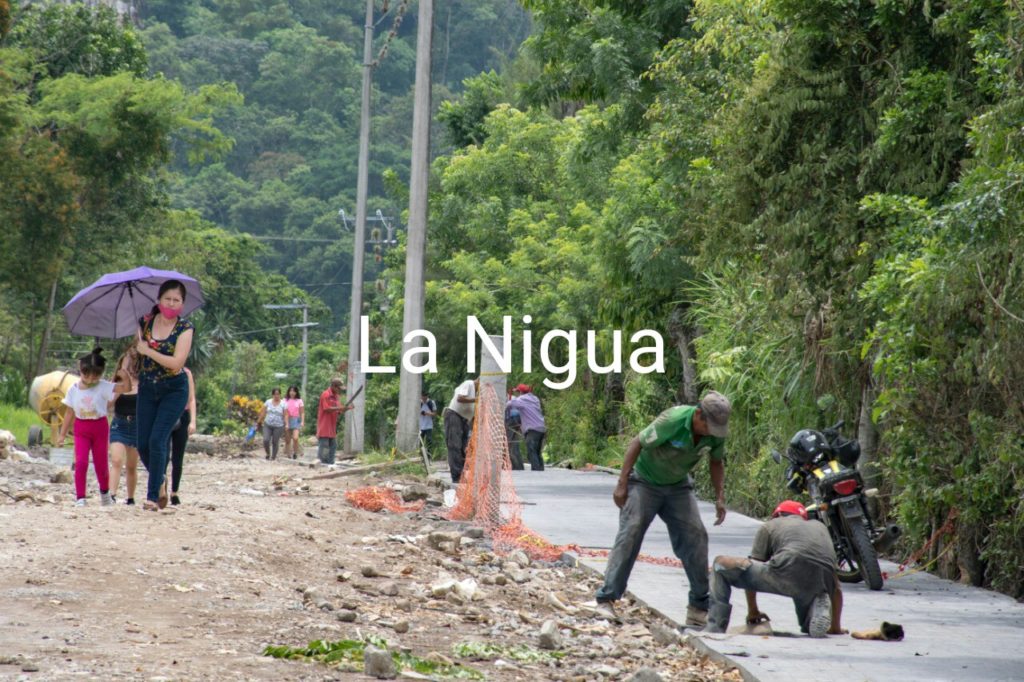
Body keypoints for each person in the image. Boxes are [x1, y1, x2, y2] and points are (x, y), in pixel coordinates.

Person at [594, 391, 732, 628]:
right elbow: (637, 443)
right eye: (708, 427)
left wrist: (720, 497)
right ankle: (607, 598)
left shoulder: (714, 434)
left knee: (696, 536)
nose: (711, 432)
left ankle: (698, 607)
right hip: (644, 482)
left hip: (678, 486)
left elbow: (716, 462)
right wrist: (622, 483)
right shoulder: (672, 420)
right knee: (631, 531)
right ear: (698, 414)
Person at [705, 500, 845, 638]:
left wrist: (753, 610)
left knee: (719, 565)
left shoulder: (771, 525)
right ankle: (817, 604)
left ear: (778, 515)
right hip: (821, 582)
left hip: (787, 569)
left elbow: (751, 564)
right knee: (808, 625)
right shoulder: (820, 527)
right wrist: (836, 627)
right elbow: (837, 587)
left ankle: (715, 628)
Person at [135, 279, 194, 512]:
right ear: (159, 299)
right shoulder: (145, 322)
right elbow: (138, 351)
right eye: (167, 298)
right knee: (142, 443)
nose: (171, 303)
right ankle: (159, 478)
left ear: (182, 304)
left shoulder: (185, 328)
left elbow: (176, 363)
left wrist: (148, 351)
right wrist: (139, 347)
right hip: (148, 387)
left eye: (176, 300)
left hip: (174, 389)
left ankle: (152, 497)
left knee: (157, 440)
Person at [57, 348, 129, 507]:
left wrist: (125, 377)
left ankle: (105, 493)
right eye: (86, 375)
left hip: (99, 427)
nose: (90, 380)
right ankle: (80, 497)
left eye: (95, 376)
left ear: (101, 373)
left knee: (101, 463)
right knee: (81, 462)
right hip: (81, 428)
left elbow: (126, 388)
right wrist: (62, 434)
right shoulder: (73, 389)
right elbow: (69, 412)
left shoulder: (103, 386)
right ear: (80, 369)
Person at [108, 346, 140, 505]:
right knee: (116, 460)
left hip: (136, 425)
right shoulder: (114, 384)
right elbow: (107, 405)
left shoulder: (143, 384)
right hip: (119, 423)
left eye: (130, 364)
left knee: (132, 465)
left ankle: (130, 497)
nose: (127, 368)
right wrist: (119, 389)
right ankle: (111, 495)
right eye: (125, 365)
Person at [165, 367, 196, 505]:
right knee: (163, 454)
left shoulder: (187, 373)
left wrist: (193, 421)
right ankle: (161, 487)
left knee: (178, 456)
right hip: (166, 413)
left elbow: (191, 398)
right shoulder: (160, 372)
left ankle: (174, 492)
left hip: (183, 414)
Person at [444, 378, 477, 483]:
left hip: (464, 419)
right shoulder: (469, 384)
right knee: (454, 446)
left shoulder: (476, 392)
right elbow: (460, 398)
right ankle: (456, 476)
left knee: (464, 448)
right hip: (454, 415)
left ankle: (462, 475)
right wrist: (476, 399)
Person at [506, 383, 546, 471]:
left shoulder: (522, 399)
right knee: (537, 452)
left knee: (531, 452)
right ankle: (541, 471)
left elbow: (509, 404)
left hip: (532, 430)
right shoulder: (535, 399)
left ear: (520, 392)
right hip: (541, 428)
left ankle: (536, 472)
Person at [316, 378, 351, 464]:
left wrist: (346, 408)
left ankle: (330, 463)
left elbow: (338, 410)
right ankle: (322, 463)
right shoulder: (325, 394)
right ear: (334, 386)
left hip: (332, 427)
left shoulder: (336, 396)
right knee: (324, 446)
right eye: (339, 388)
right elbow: (326, 408)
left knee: (333, 446)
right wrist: (340, 408)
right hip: (324, 426)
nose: (339, 390)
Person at [257, 387, 287, 460]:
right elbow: (263, 412)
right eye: (275, 394)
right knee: (266, 440)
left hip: (279, 426)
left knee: (275, 441)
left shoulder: (283, 404)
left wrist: (286, 424)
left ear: (280, 394)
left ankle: (273, 456)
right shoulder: (268, 402)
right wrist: (258, 422)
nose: (276, 396)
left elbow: (286, 415)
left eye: (278, 394)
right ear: (272, 395)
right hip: (268, 424)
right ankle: (268, 453)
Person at [505, 386, 524, 470]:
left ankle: (515, 466)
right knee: (514, 444)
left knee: (509, 444)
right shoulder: (514, 398)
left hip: (512, 421)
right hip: (517, 421)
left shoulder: (511, 399)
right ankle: (519, 466)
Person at [283, 385, 304, 459]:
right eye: (291, 391)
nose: (292, 393)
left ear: (296, 392)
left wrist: (302, 421)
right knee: (288, 439)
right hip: (287, 419)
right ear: (288, 392)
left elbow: (302, 412)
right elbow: (283, 411)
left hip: (296, 420)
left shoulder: (299, 401)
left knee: (295, 438)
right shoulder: (285, 400)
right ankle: (288, 454)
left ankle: (295, 452)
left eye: (294, 391)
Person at [419, 391, 437, 457]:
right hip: (420, 425)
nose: (424, 399)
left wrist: (427, 413)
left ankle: (429, 455)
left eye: (425, 398)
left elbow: (434, 413)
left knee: (429, 440)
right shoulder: (419, 403)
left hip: (429, 425)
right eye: (423, 397)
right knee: (420, 441)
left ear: (427, 396)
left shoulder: (431, 402)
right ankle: (421, 455)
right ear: (421, 397)